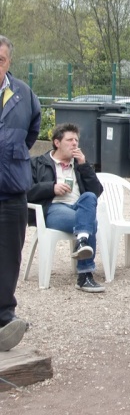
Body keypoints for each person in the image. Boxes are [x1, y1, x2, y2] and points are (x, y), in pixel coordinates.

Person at [27, 123, 105, 292]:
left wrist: (84, 166)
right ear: (57, 142)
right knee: (91, 223)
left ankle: (82, 240)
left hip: (78, 207)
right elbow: (25, 192)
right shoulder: (38, 163)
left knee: (89, 197)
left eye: (76, 140)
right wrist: (51, 187)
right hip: (53, 208)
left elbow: (96, 192)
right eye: (69, 140)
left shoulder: (79, 164)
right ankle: (85, 275)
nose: (74, 143)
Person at [0, 35, 41, 351]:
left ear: (8, 61)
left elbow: (32, 132)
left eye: (1, 59)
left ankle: (4, 319)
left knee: (9, 256)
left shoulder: (24, 94)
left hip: (11, 189)